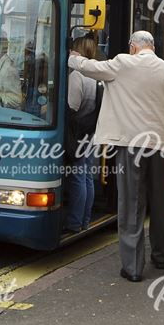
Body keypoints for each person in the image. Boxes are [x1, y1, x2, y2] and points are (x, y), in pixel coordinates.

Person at [67, 30, 164, 282]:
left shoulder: (122, 63)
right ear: (151, 46)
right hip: (162, 147)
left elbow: (91, 67)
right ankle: (160, 257)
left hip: (131, 147)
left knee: (131, 204)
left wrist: (71, 57)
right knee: (160, 203)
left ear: (134, 47)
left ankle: (133, 267)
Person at [64, 34, 99, 233]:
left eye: (73, 49)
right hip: (91, 133)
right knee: (87, 177)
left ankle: (74, 222)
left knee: (77, 178)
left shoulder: (78, 75)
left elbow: (72, 107)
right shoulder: (95, 73)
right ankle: (85, 220)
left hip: (77, 135)